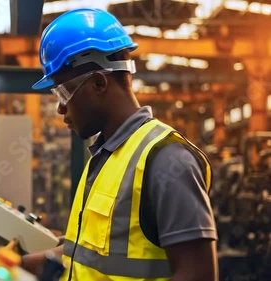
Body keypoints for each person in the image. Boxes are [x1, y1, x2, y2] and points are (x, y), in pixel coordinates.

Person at [21, 8, 218, 281]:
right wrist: (18, 263)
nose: (60, 108)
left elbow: (198, 275)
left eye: (63, 92)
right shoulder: (104, 158)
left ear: (99, 83)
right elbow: (89, 254)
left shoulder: (167, 160)